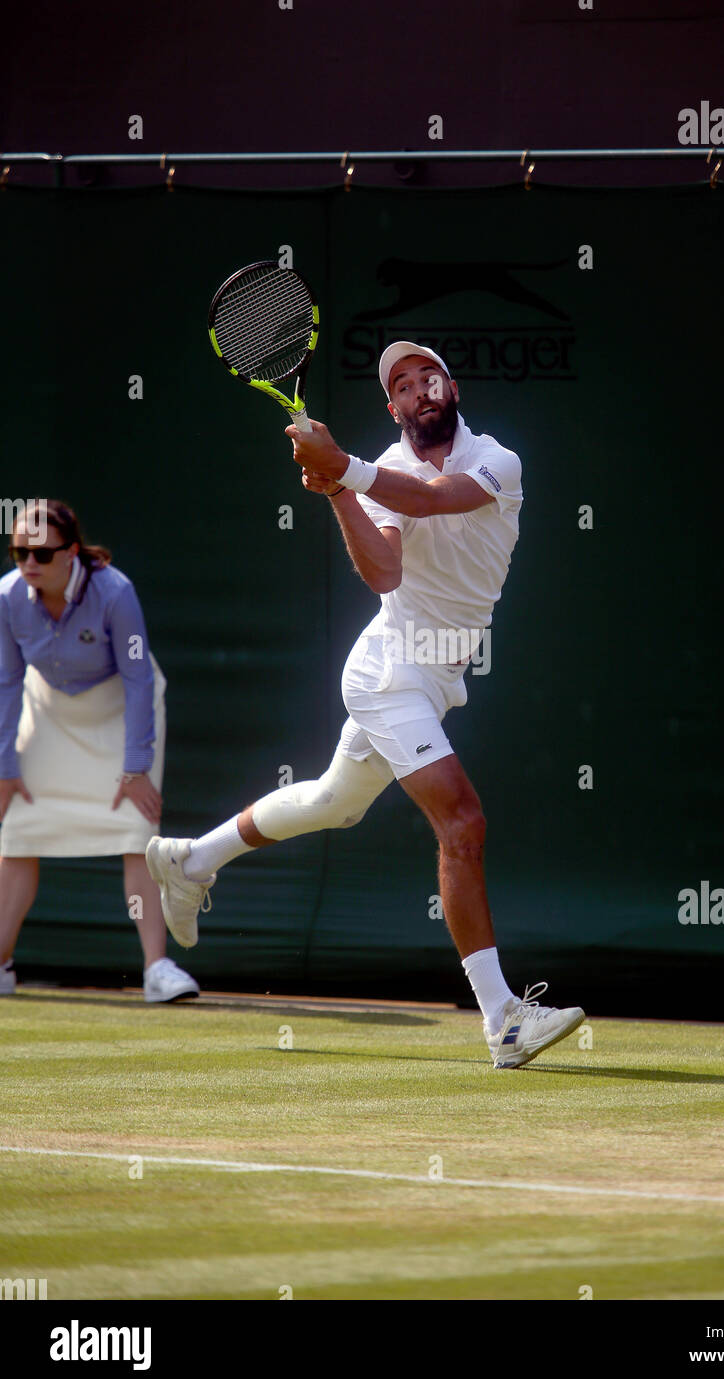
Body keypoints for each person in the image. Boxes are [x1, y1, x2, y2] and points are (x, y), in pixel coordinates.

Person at [147, 342, 583, 1066]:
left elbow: (436, 501)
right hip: (388, 673)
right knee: (463, 821)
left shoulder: (496, 460)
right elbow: (383, 573)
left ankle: (192, 860)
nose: (419, 391)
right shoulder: (389, 468)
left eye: (428, 377)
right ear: (394, 408)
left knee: (332, 803)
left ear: (452, 386)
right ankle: (504, 1019)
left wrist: (343, 466)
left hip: (436, 678)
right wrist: (341, 490)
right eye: (403, 386)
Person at [0, 500, 199, 1003]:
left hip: (123, 712)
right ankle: (1, 965)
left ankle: (157, 969)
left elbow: (136, 680)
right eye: (19, 551)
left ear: (70, 553)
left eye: (41, 553)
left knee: (136, 833)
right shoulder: (6, 597)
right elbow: (6, 682)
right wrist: (4, 767)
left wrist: (135, 768)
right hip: (47, 711)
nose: (28, 563)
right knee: (19, 833)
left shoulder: (115, 591)